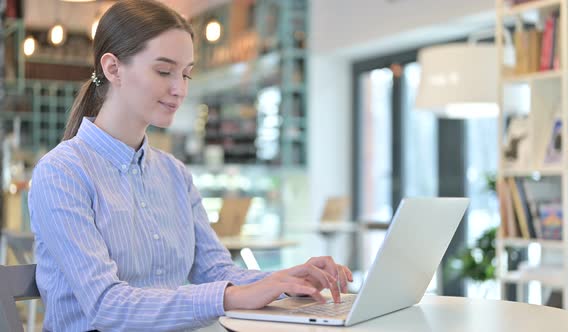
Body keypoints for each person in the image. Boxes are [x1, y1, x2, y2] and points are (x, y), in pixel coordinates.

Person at [28, 1, 353, 331]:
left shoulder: (173, 174)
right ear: (113, 69)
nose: (180, 89)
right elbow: (105, 306)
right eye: (164, 71)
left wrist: (290, 279)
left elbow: (216, 272)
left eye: (186, 74)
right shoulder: (62, 173)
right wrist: (229, 297)